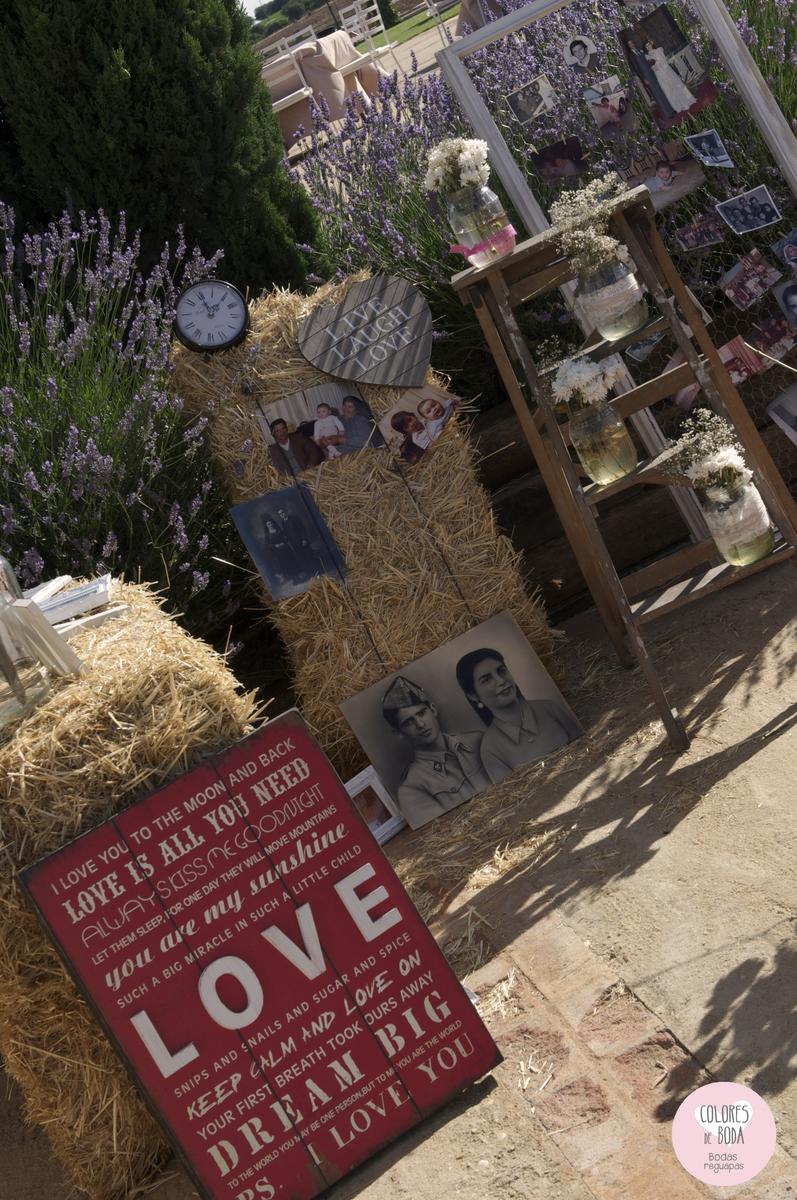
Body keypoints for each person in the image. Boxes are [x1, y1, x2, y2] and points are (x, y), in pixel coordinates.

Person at [455, 648, 580, 785]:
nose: (501, 681)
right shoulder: (490, 750)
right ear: (473, 695)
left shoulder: (550, 708)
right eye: (487, 679)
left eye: (502, 671)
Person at [381, 676, 488, 828]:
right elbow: (446, 832)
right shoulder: (412, 789)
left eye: (421, 713)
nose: (420, 724)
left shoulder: (479, 741)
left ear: (433, 709)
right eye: (409, 722)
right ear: (399, 733)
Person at [625, 34, 675, 118]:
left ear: (633, 43)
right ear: (628, 46)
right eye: (629, 44)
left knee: (661, 92)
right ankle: (668, 114)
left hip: (652, 74)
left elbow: (648, 60)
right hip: (647, 78)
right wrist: (643, 79)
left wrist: (652, 62)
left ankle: (671, 110)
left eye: (632, 43)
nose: (631, 44)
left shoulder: (640, 50)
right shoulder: (631, 56)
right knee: (657, 95)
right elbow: (636, 69)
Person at [643, 37, 697, 115]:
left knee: (676, 86)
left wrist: (657, 62)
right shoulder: (647, 56)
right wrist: (654, 65)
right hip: (659, 75)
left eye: (649, 45)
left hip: (666, 71)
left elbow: (664, 60)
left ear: (651, 44)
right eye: (646, 46)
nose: (648, 47)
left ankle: (685, 102)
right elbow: (652, 68)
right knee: (668, 90)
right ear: (645, 48)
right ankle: (678, 106)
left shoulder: (659, 50)